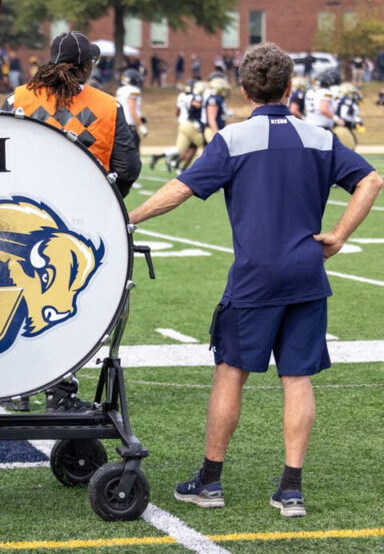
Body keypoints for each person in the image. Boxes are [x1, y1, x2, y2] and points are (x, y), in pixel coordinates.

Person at [128, 42, 383, 519]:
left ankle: (210, 481)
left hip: (254, 279)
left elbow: (180, 189)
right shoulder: (321, 137)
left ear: (245, 91)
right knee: (297, 377)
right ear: (290, 89)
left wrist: (129, 218)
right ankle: (290, 489)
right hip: (307, 272)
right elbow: (371, 181)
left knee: (231, 372)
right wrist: (340, 235)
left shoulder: (232, 138)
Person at [1, 30, 140, 411]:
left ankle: (16, 386)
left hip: (20, 215)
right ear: (87, 66)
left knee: (17, 294)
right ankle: (60, 393)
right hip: (77, 221)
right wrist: (103, 204)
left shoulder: (18, 98)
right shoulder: (108, 105)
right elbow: (128, 167)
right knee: (65, 303)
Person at [151, 79, 205, 174]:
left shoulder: (181, 95)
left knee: (183, 149)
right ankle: (177, 164)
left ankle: (168, 160)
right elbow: (193, 110)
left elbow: (177, 110)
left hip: (182, 123)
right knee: (199, 147)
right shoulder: (195, 97)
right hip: (192, 125)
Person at [117, 68, 146, 147]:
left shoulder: (120, 90)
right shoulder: (133, 90)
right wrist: (141, 126)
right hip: (129, 127)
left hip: (120, 124)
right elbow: (132, 109)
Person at [202, 77, 231, 143]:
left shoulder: (219, 98)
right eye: (224, 89)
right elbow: (211, 120)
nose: (226, 91)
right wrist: (217, 134)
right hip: (212, 131)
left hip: (217, 130)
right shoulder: (214, 99)